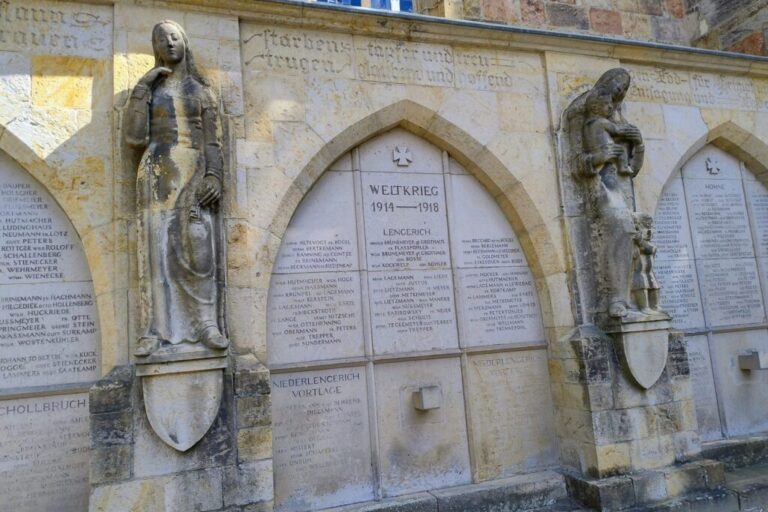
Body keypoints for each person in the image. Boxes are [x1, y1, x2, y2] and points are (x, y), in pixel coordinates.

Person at [125, 20, 228, 356]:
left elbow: (213, 142)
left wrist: (213, 176)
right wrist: (143, 87)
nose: (168, 43)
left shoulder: (202, 92)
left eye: (174, 37)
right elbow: (134, 137)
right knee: (157, 254)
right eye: (161, 40)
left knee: (199, 249)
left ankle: (206, 324)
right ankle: (155, 330)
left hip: (194, 173)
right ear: (155, 49)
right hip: (157, 172)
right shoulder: (151, 89)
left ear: (184, 42)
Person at [580, 68, 645, 318]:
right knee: (619, 225)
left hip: (619, 187)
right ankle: (616, 299)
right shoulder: (586, 118)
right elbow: (575, 163)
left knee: (632, 229)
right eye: (616, 87)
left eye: (623, 90)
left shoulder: (619, 124)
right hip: (600, 187)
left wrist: (638, 142)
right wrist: (599, 156)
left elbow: (633, 169)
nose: (619, 92)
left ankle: (630, 297)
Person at [632, 213, 661, 313]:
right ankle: (645, 307)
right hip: (639, 271)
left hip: (649, 272)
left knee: (655, 286)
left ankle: (656, 305)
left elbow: (649, 249)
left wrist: (640, 241)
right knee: (642, 285)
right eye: (646, 225)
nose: (648, 232)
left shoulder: (649, 244)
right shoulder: (634, 244)